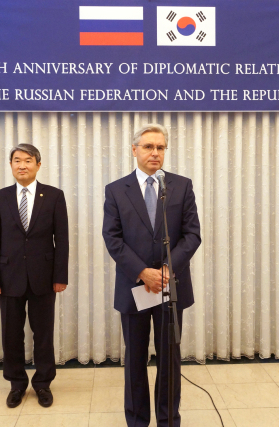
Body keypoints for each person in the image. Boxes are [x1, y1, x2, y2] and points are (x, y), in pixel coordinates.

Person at [102, 124, 201, 427]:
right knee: (134, 360)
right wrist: (142, 272)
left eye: (160, 147)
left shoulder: (181, 186)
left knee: (169, 360)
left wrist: (167, 270)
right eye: (148, 147)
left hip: (169, 287)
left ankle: (168, 420)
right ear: (135, 150)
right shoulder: (117, 190)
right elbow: (112, 237)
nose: (155, 153)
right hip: (134, 287)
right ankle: (136, 421)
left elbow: (192, 235)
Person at [0, 143, 68, 409]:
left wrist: (60, 275)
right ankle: (17, 384)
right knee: (11, 335)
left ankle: (43, 383)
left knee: (43, 334)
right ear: (10, 165)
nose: (22, 165)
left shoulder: (54, 196)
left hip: (44, 277)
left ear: (38, 165)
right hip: (8, 278)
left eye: (28, 160)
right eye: (17, 160)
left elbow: (62, 240)